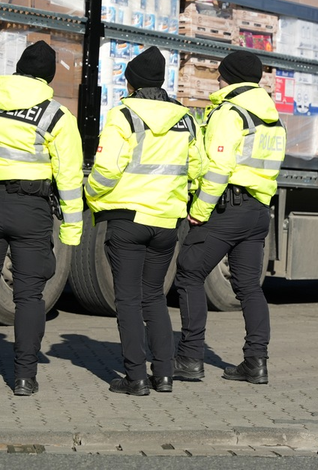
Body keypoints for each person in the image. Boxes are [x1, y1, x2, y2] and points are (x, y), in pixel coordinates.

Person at [0, 40, 84, 397]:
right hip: (32, 212)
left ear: (18, 68)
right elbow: (69, 177)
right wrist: (72, 230)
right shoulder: (57, 117)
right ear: (49, 77)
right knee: (29, 297)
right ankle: (25, 378)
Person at [85, 46, 206, 396]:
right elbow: (198, 168)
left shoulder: (123, 115)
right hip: (166, 222)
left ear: (132, 83)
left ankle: (136, 378)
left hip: (128, 220)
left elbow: (106, 170)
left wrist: (91, 195)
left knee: (127, 299)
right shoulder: (186, 119)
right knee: (153, 296)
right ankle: (164, 374)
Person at [174, 50, 286, 385]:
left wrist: (199, 211)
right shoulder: (273, 118)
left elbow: (219, 168)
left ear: (231, 77)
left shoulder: (230, 112)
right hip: (258, 210)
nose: (218, 81)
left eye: (221, 75)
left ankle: (190, 358)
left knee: (189, 273)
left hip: (227, 209)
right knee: (249, 287)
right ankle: (256, 362)